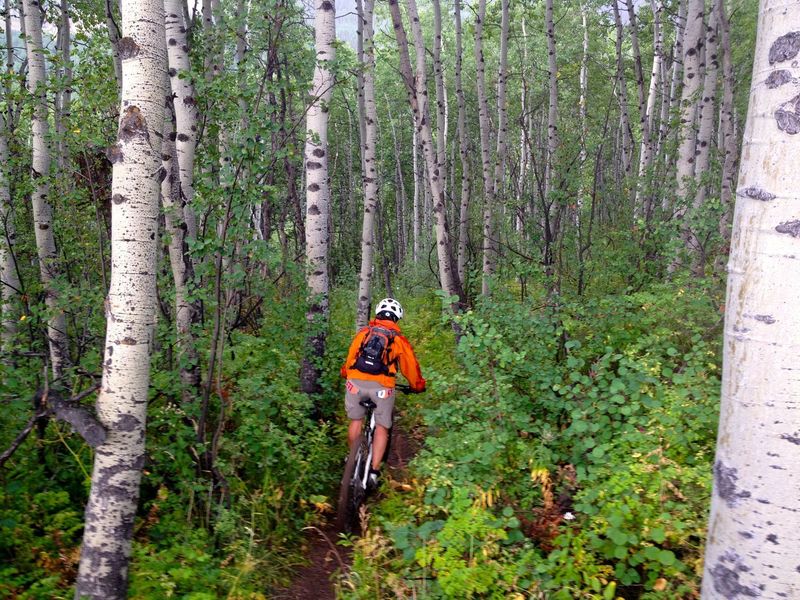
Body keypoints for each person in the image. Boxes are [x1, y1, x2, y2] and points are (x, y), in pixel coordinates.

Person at [340, 297, 425, 489]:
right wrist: (417, 386)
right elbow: (410, 368)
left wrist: (346, 373)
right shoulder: (399, 340)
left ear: (377, 314)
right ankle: (373, 472)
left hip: (355, 383)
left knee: (355, 421)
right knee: (381, 427)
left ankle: (352, 457)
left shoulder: (364, 333)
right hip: (382, 387)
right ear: (397, 318)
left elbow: (351, 356)